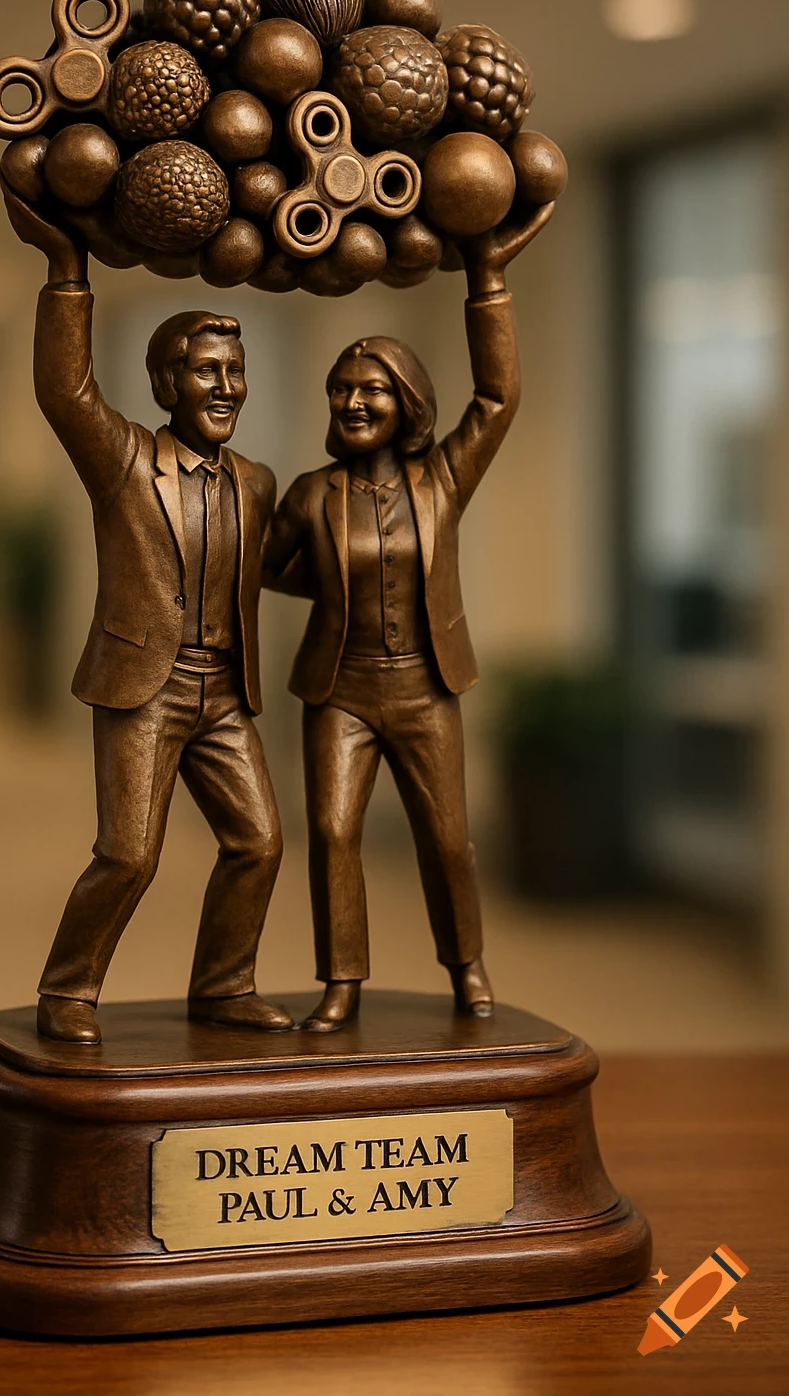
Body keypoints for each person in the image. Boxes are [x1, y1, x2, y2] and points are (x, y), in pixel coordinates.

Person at [1, 178, 289, 1044]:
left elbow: (280, 570)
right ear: (168, 382)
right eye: (207, 371)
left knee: (260, 844)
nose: (226, 387)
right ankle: (68, 990)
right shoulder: (126, 461)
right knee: (129, 853)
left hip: (225, 693)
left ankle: (223, 988)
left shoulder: (258, 483)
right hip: (144, 689)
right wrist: (66, 269)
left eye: (236, 373)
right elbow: (65, 392)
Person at [265, 204, 554, 1031]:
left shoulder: (443, 479)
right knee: (332, 833)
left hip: (426, 688)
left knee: (449, 838)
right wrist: (333, 592)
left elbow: (498, 399)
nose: (354, 403)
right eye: (343, 390)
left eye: (373, 390)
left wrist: (487, 280)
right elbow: (266, 572)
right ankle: (341, 982)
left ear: (407, 402)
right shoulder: (311, 494)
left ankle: (466, 966)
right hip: (339, 690)